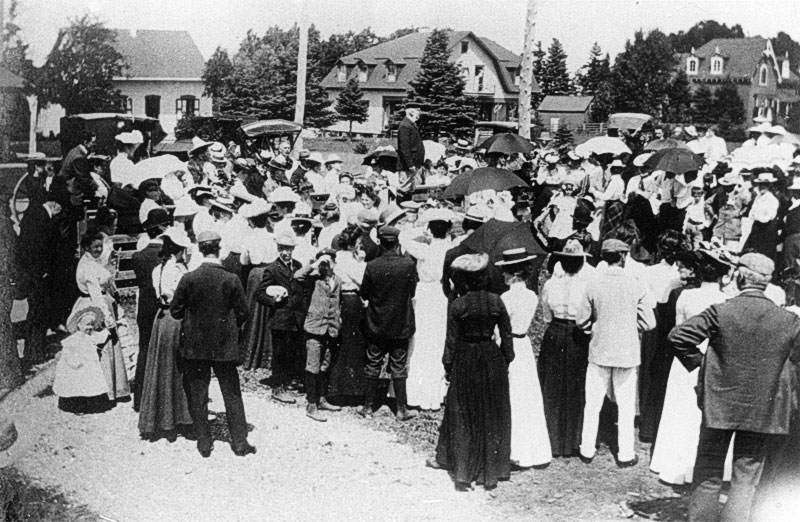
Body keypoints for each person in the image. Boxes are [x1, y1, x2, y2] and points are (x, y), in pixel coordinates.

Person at [669, 253, 800, 522]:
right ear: (766, 283)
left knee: (708, 467)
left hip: (720, 404)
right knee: (746, 475)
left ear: (740, 277)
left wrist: (701, 363)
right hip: (763, 408)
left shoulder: (721, 311)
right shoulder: (788, 319)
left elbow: (678, 337)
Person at [427, 253, 513, 493]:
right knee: (491, 412)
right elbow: (506, 337)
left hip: (465, 359)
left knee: (462, 413)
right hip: (491, 357)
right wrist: (506, 359)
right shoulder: (497, 301)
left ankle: (462, 470)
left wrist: (447, 367)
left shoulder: (458, 305)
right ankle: (492, 469)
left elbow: (451, 342)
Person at [650, 250, 731, 486]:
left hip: (686, 359)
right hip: (712, 359)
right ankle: (703, 468)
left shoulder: (685, 296)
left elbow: (679, 331)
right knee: (703, 414)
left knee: (679, 411)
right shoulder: (725, 300)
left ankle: (672, 464)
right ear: (723, 276)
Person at [170, 230, 254, 458]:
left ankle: (204, 442)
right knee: (232, 393)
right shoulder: (231, 279)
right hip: (224, 347)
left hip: (195, 347)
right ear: (218, 249)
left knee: (198, 393)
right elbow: (244, 312)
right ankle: (239, 443)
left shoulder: (188, 278)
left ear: (199, 249)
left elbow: (175, 311)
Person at [576, 239, 656, 467]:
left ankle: (587, 448)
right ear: (623, 257)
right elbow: (649, 323)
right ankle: (625, 453)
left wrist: (594, 329)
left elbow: (581, 319)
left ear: (604, 257)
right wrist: (632, 327)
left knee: (592, 402)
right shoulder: (636, 284)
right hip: (627, 350)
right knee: (626, 403)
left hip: (600, 348)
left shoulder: (593, 284)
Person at [496, 248, 551, 468]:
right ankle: (533, 450)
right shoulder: (531, 295)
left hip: (509, 345)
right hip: (524, 345)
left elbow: (500, 329)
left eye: (505, 271)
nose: (502, 275)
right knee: (527, 397)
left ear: (513, 274)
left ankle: (514, 449)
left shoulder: (506, 298)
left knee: (512, 396)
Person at [138, 227, 193, 441]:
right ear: (179, 250)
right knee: (176, 368)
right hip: (175, 317)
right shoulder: (177, 270)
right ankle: (178, 419)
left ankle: (162, 418)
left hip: (161, 318)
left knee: (162, 367)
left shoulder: (158, 269)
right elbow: (182, 295)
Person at [359, 225, 418, 421]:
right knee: (399, 365)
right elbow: (412, 292)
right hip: (401, 323)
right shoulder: (408, 265)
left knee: (373, 362)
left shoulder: (372, 265)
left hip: (377, 323)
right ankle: (401, 409)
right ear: (397, 242)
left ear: (380, 242)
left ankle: (368, 407)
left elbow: (365, 293)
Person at [539, 239, 592, 457]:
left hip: (555, 333)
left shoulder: (551, 284)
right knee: (575, 386)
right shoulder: (587, 285)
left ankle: (552, 438)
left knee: (552, 386)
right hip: (578, 335)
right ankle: (572, 439)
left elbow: (546, 315)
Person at [399, 209, 454, 411]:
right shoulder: (450, 248)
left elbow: (402, 237)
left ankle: (416, 392)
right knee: (438, 340)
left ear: (431, 230)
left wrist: (420, 228)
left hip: (425, 294)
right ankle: (436, 393)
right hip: (441, 294)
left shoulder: (424, 249)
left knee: (421, 339)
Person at [73, 231, 130, 402]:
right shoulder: (87, 267)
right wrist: (108, 318)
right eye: (95, 247)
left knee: (109, 347)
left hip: (102, 303)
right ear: (86, 248)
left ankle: (113, 389)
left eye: (100, 246)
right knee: (102, 348)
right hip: (94, 309)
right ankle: (103, 393)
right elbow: (96, 295)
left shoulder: (93, 262)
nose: (98, 249)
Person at [256, 232, 305, 404]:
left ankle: (290, 382)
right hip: (281, 316)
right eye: (282, 249)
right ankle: (277, 387)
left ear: (293, 249)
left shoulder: (298, 266)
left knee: (293, 351)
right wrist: (274, 301)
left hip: (296, 317)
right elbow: (259, 293)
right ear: (278, 249)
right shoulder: (272, 269)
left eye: (288, 249)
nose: (285, 252)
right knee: (279, 353)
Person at [130, 208, 171, 411]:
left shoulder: (138, 256)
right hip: (162, 305)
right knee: (165, 352)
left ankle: (140, 400)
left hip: (144, 306)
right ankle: (163, 401)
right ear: (164, 228)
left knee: (144, 349)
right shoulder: (168, 256)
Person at [295, 250, 342, 422]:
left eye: (329, 262)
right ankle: (311, 404)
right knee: (312, 367)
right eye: (324, 262)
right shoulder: (313, 280)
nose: (326, 266)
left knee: (325, 366)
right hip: (315, 328)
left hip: (331, 329)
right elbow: (297, 276)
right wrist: (315, 264)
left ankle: (322, 399)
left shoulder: (338, 280)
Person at [17, 194, 63, 365]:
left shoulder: (35, 213)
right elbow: (38, 247)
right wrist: (42, 270)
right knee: (38, 313)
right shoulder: (42, 217)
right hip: (38, 274)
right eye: (60, 205)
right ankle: (35, 353)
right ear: (52, 202)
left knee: (36, 312)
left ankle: (34, 351)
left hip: (33, 272)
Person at [53, 306, 113, 414]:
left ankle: (88, 403)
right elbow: (67, 352)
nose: (90, 327)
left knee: (88, 385)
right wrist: (74, 362)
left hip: (89, 367)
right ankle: (75, 405)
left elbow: (100, 337)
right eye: (87, 325)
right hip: (76, 366)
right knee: (77, 385)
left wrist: (107, 330)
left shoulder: (91, 336)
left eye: (92, 325)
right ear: (79, 325)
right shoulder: (74, 339)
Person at [396, 103, 425, 202]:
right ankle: (400, 209)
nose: (419, 114)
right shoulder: (405, 125)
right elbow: (404, 148)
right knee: (404, 188)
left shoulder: (411, 124)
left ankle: (409, 209)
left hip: (414, 164)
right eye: (418, 111)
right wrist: (410, 164)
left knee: (412, 188)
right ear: (411, 112)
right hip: (407, 166)